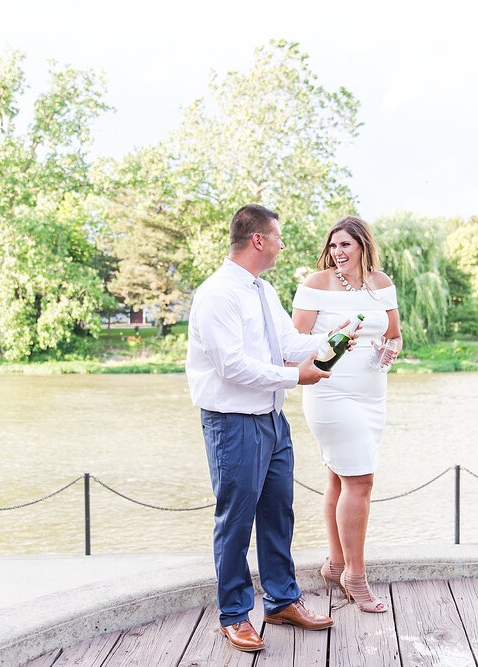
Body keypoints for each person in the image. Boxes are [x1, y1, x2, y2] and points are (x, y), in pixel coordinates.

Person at [186, 204, 354, 652]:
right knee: (235, 522)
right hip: (232, 423)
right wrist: (297, 376)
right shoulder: (218, 294)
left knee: (279, 514)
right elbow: (232, 367)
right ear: (258, 239)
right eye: (277, 236)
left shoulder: (262, 291)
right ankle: (235, 615)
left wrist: (333, 337)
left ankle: (281, 601)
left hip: (272, 422)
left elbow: (287, 343)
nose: (282, 244)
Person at [291, 216, 402, 614]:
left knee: (340, 478)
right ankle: (356, 575)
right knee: (362, 481)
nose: (338, 253)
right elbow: (294, 344)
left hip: (372, 393)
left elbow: (394, 333)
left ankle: (336, 563)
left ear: (363, 246)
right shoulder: (315, 285)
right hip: (330, 391)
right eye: (334, 245)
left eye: (346, 246)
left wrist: (391, 349)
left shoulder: (382, 283)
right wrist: (329, 340)